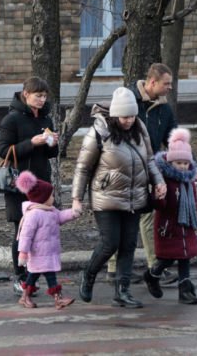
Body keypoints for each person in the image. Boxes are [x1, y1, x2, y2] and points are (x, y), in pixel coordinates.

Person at [72, 87, 166, 308]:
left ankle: (122, 292)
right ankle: (89, 274)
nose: (129, 121)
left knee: (128, 245)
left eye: (132, 116)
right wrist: (77, 198)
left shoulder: (139, 130)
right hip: (106, 198)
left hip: (135, 197)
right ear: (115, 115)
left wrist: (159, 181)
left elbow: (150, 160)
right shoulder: (98, 132)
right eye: (125, 117)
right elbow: (82, 168)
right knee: (110, 243)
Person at [107, 63, 183, 285]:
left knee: (149, 218)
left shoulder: (164, 108)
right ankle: (113, 268)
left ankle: (155, 266)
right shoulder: (128, 100)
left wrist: (192, 165)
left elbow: (174, 138)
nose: (170, 87)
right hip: (126, 169)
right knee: (122, 217)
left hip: (150, 168)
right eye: (166, 84)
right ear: (152, 82)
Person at [0, 77, 59, 295]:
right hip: (18, 184)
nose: (42, 100)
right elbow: (4, 151)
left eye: (44, 96)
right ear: (26, 94)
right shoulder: (11, 120)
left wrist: (52, 143)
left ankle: (33, 276)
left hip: (40, 185)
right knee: (21, 231)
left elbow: (52, 154)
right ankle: (20, 277)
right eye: (37, 96)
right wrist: (31, 143)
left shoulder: (46, 119)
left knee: (40, 231)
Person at [143, 128, 197, 305]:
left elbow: (193, 205)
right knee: (168, 257)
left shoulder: (189, 181)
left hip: (187, 225)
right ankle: (152, 275)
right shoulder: (164, 179)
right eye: (178, 163)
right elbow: (160, 207)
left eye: (186, 163)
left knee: (185, 257)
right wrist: (159, 196)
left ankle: (185, 291)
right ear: (171, 162)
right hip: (169, 226)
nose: (182, 167)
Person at [15, 171, 79, 309]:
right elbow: (26, 235)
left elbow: (61, 217)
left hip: (49, 252)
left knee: (35, 276)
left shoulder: (50, 211)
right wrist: (23, 253)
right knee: (47, 275)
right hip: (38, 253)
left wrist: (73, 213)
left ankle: (25, 297)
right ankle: (57, 299)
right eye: (50, 195)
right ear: (42, 198)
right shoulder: (33, 215)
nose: (53, 197)